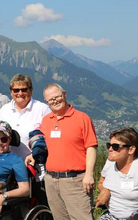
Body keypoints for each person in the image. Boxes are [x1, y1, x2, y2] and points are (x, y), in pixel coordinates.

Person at [40, 83, 97, 220]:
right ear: (46, 102)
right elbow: (46, 145)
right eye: (51, 100)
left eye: (58, 96)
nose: (55, 101)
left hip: (75, 180)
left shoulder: (82, 118)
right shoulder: (46, 120)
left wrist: (89, 174)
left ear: (64, 94)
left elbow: (91, 147)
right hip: (51, 180)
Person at [0, 74, 50, 205]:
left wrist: (35, 153)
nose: (20, 93)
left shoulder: (42, 109)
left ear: (31, 90)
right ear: (11, 92)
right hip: (9, 168)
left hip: (35, 169)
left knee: (40, 204)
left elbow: (50, 138)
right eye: (16, 90)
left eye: (24, 89)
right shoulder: (5, 110)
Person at [95, 127, 138, 220]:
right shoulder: (110, 162)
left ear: (131, 149)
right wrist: (105, 190)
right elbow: (101, 182)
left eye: (115, 146)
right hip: (111, 216)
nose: (110, 149)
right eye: (109, 145)